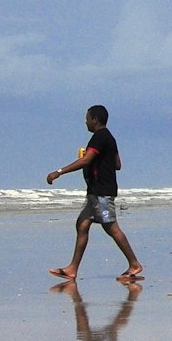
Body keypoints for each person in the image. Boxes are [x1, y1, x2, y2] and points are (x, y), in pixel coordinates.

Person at [46, 105, 143, 282]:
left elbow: (87, 160)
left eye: (87, 118)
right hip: (95, 192)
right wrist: (95, 159)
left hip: (102, 193)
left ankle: (134, 264)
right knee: (82, 225)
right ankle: (72, 269)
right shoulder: (109, 138)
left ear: (95, 119)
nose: (85, 122)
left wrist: (58, 172)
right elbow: (117, 164)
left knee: (111, 227)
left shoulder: (99, 137)